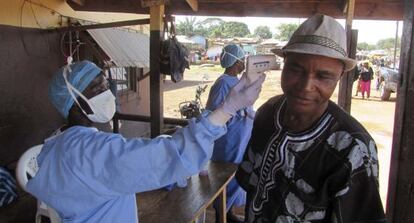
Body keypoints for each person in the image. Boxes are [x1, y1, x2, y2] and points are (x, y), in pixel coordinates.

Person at [26, 59, 265, 223]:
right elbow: (170, 157)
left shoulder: (59, 142)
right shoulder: (89, 151)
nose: (107, 92)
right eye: (96, 88)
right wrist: (227, 109)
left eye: (105, 84)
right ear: (74, 100)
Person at [236, 14, 385, 223]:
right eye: (296, 70)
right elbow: (249, 181)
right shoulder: (268, 112)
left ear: (340, 77)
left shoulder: (353, 148)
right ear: (284, 65)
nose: (306, 87)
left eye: (323, 76)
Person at [206, 44, 257, 223]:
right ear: (234, 62)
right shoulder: (222, 83)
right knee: (226, 177)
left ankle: (228, 213)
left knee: (238, 174)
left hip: (240, 138)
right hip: (229, 140)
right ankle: (221, 216)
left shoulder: (236, 81)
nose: (243, 63)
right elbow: (215, 112)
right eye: (241, 60)